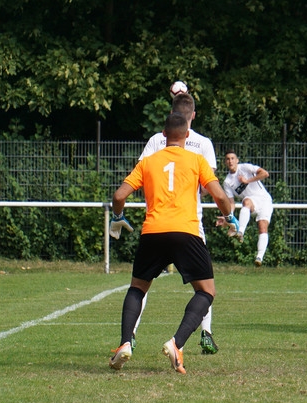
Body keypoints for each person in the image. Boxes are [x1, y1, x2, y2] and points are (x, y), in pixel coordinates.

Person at [108, 110, 239, 374]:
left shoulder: (148, 162)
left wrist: (118, 216)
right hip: (186, 232)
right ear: (187, 135)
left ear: (164, 135)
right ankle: (177, 343)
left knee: (138, 288)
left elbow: (119, 194)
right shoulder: (197, 160)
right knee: (207, 291)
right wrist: (229, 217)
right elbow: (221, 197)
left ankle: (125, 343)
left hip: (153, 232)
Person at [133, 84, 222, 354]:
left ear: (171, 113)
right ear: (192, 116)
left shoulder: (156, 140)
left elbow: (141, 175)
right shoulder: (203, 143)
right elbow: (209, 187)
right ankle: (205, 333)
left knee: (141, 283)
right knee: (205, 284)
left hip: (157, 221)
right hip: (189, 223)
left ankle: (131, 335)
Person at [219, 151, 273, 266]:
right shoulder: (227, 182)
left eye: (233, 158)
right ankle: (241, 231)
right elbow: (231, 204)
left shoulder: (245, 168)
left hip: (265, 200)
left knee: (263, 228)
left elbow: (265, 174)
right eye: (228, 159)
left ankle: (259, 257)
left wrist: (247, 181)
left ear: (237, 160)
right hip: (251, 202)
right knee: (246, 201)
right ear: (225, 162)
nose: (230, 161)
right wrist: (227, 217)